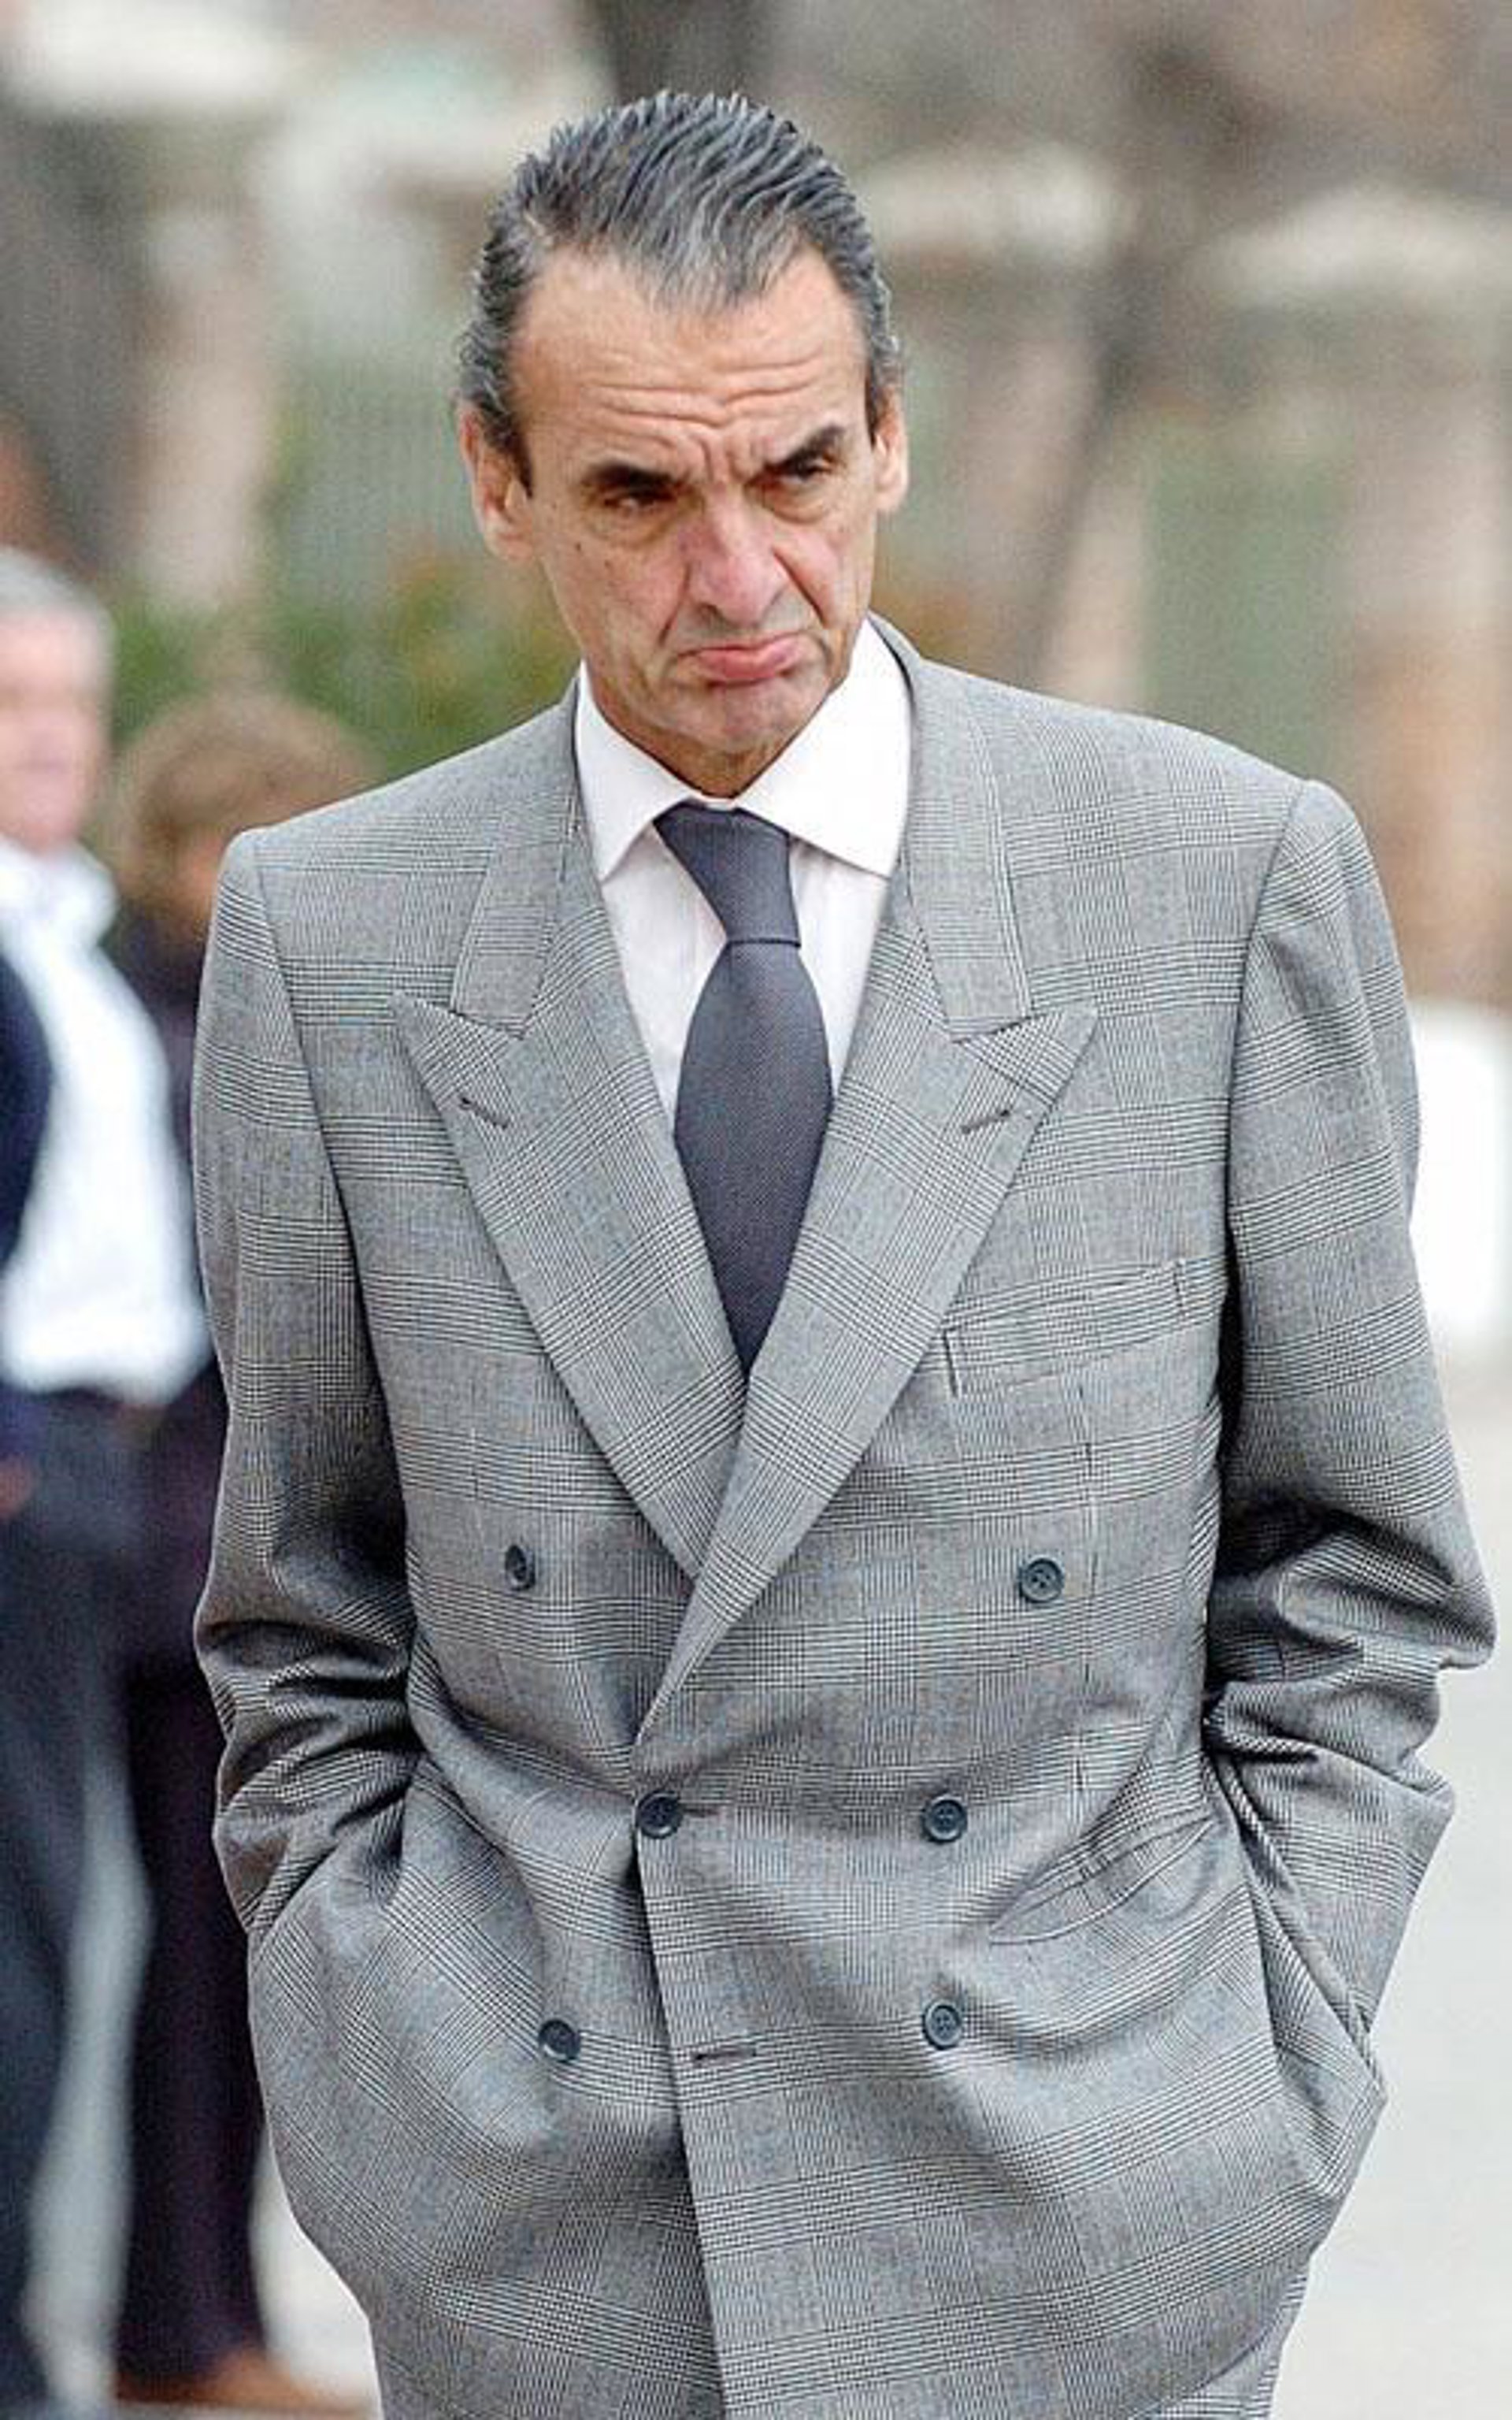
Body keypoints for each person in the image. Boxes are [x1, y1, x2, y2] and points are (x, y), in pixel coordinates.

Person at [192, 93, 1495, 2420]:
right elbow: (304, 1612)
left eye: (796, 471)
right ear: (497, 480)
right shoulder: (332, 942)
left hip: (1091, 2221)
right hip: (554, 2242)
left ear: (890, 435)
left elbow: (1358, 1574)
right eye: (638, 495)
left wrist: (1254, 2070)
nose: (738, 577)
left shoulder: (1215, 886)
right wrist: (388, 2066)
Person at [105, 695, 376, 2417]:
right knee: (193, 1972)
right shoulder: (157, 1021)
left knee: (231, 1966)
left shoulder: (257, 1008)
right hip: (164, 1555)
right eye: (239, 843)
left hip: (216, 1544)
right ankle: (183, 2329)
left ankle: (206, 2318)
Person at [0, 549, 203, 2416]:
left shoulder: (74, 937)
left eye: (73, 701)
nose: (54, 738)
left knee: (65, 1935)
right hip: (24, 1458)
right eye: (13, 704)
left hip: (105, 1478)